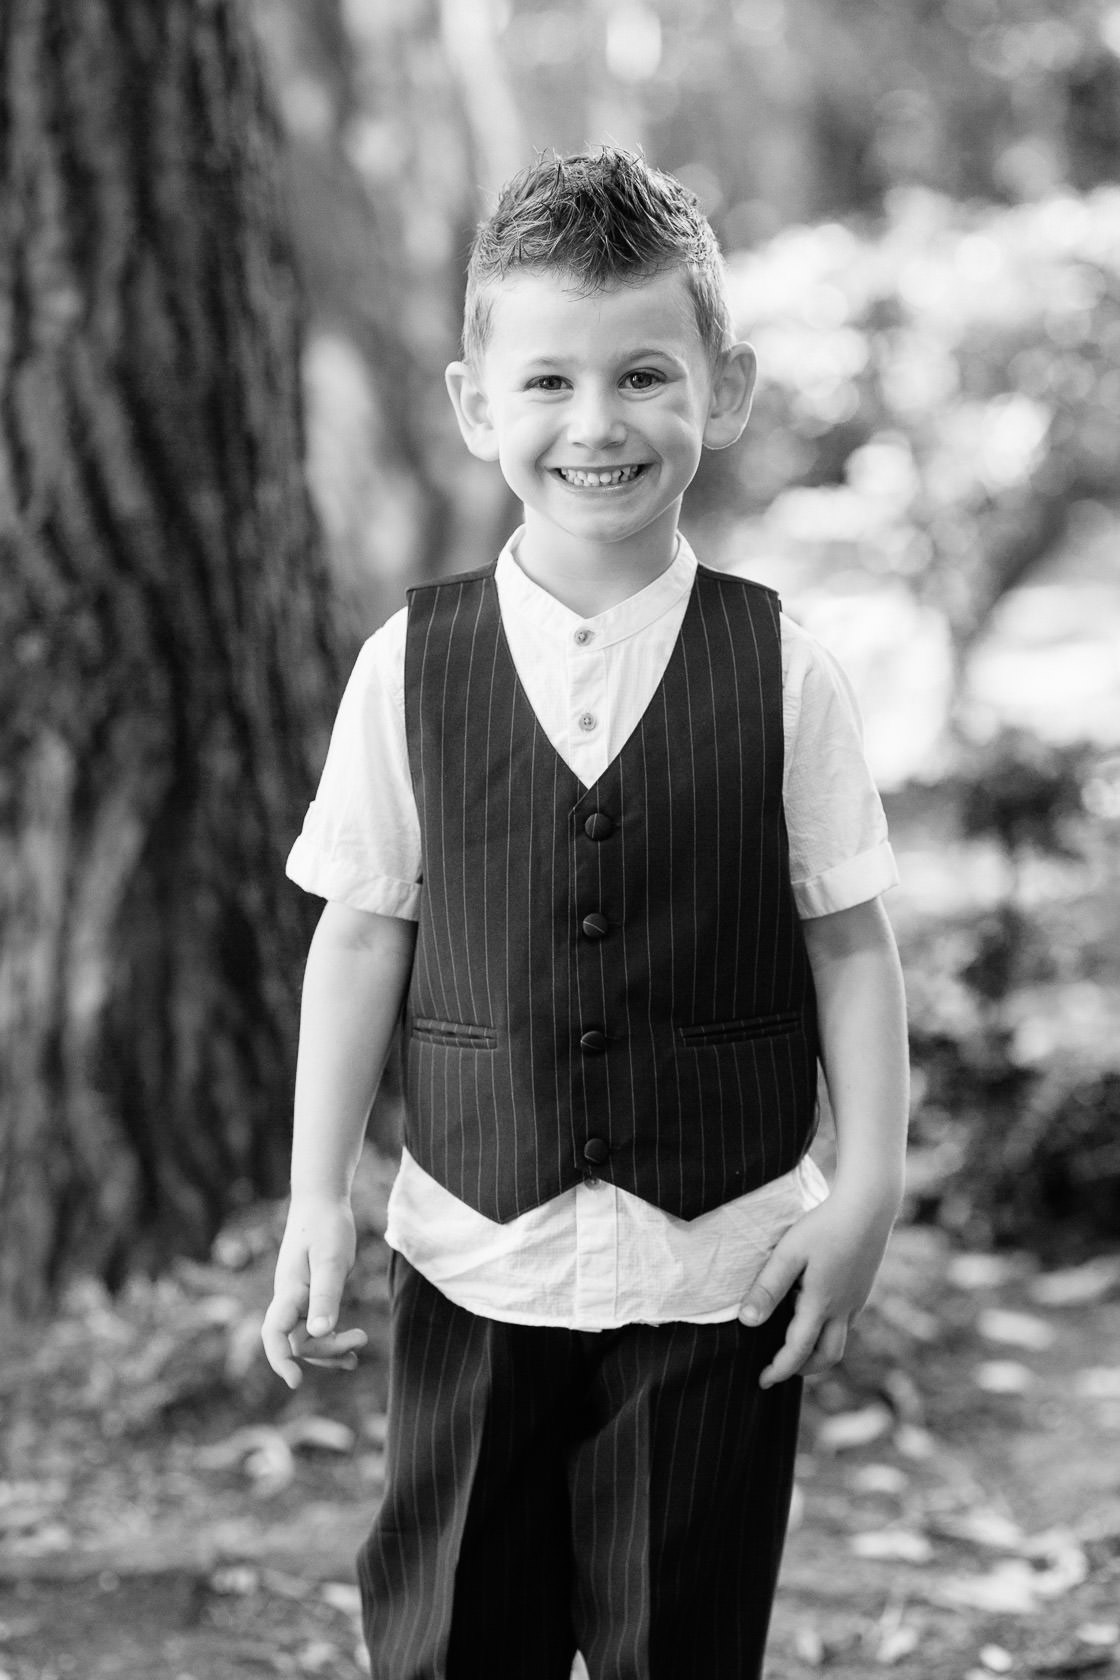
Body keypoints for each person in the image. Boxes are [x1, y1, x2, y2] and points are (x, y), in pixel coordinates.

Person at [261, 146, 909, 1680]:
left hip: (721, 1268)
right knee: (446, 1635)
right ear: (479, 404)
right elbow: (361, 935)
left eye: (643, 375)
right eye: (546, 382)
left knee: (675, 1642)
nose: (596, 423)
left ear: (725, 388)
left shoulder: (783, 669)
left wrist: (867, 1186)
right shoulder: (404, 669)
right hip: (475, 1255)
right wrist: (314, 1201)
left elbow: (849, 946)